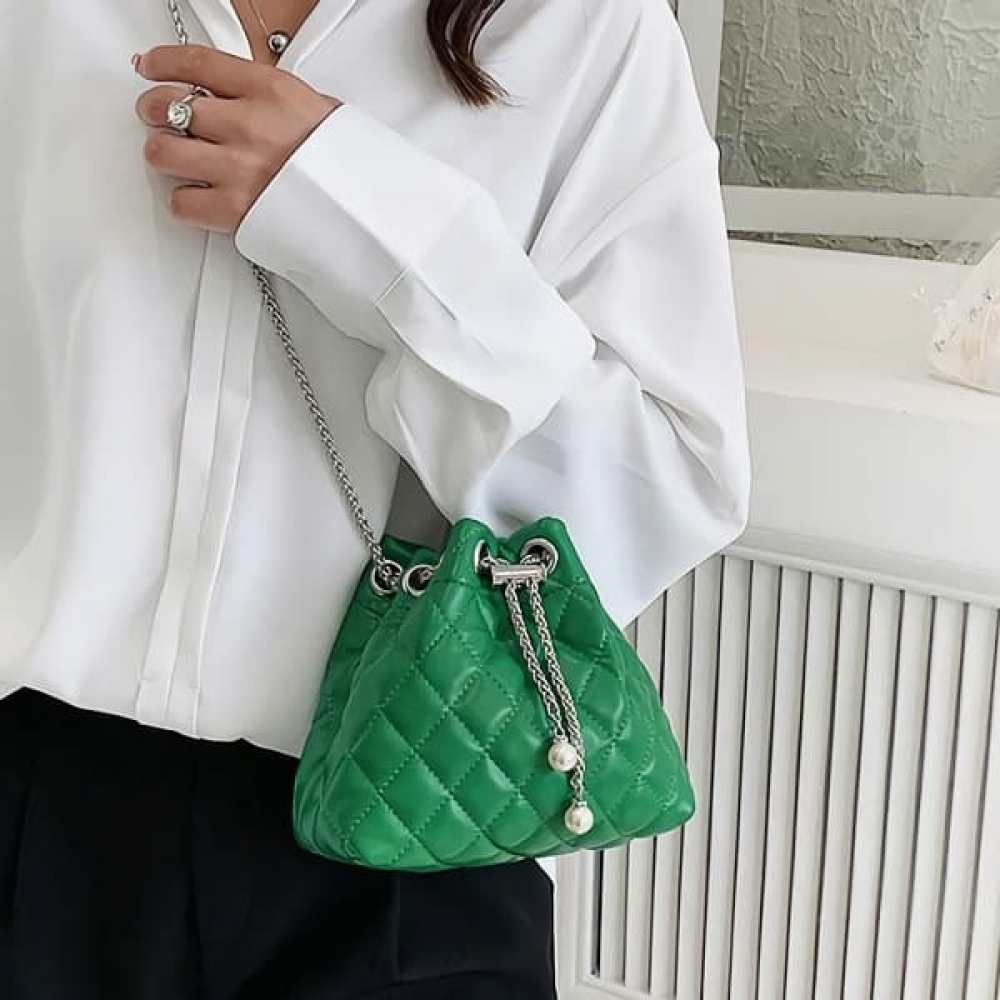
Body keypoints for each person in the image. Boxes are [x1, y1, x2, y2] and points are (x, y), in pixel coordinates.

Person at [0, 0, 750, 996]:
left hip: (418, 803)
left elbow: (657, 490)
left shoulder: (579, 28)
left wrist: (365, 221)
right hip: (35, 803)